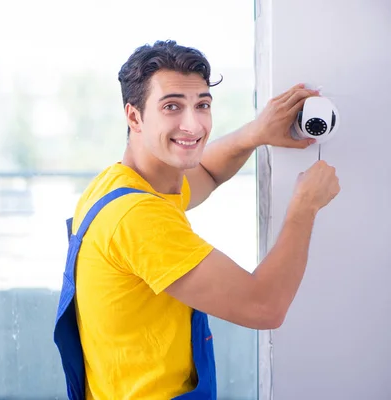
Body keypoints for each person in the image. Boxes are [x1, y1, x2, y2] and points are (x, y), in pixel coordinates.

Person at [53, 40, 340, 400]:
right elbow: (263, 306)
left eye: (202, 105)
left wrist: (255, 133)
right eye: (172, 106)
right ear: (134, 116)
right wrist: (304, 207)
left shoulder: (121, 184)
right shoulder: (138, 218)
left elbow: (206, 173)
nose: (193, 124)